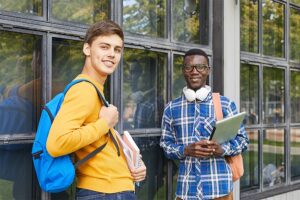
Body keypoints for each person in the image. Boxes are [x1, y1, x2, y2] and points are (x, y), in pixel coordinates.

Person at [46, 20, 146, 200]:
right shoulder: (83, 89)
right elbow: (56, 143)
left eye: (117, 49)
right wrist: (104, 123)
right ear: (87, 49)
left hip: (112, 190)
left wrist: (131, 163)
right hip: (104, 193)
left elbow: (99, 142)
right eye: (104, 47)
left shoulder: (95, 88)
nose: (112, 54)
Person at [160, 49, 249, 200]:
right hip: (186, 191)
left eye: (200, 67)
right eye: (189, 67)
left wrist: (222, 149)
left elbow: (243, 141)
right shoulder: (171, 108)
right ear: (184, 71)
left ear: (208, 70)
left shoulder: (225, 104)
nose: (195, 71)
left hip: (220, 191)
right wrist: (186, 150)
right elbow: (165, 145)